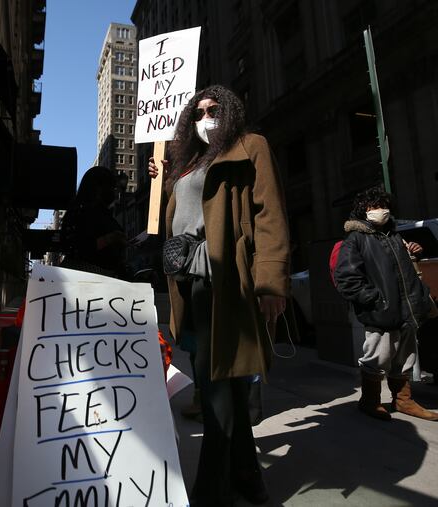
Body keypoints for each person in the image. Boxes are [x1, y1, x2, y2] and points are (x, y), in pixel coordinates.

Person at [149, 85, 290, 506]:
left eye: (213, 109)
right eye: (197, 112)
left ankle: (213, 487)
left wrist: (270, 281)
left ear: (229, 111)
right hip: (188, 284)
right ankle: (248, 477)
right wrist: (164, 184)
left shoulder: (251, 146)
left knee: (215, 385)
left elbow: (270, 214)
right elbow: (173, 223)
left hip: (225, 281)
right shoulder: (188, 162)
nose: (205, 117)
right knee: (223, 384)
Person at [333, 186, 437, 421]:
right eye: (374, 206)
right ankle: (370, 401)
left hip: (407, 309)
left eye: (384, 206)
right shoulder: (356, 239)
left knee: (405, 357)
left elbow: (401, 271)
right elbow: (347, 279)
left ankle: (404, 401)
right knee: (377, 358)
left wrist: (413, 253)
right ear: (363, 211)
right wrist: (376, 300)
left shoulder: (394, 236)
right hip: (382, 312)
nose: (381, 210)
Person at [59, 166, 127, 278]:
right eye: (111, 187)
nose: (114, 191)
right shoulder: (86, 213)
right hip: (89, 278)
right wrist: (112, 237)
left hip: (98, 278)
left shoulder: (96, 211)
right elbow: (82, 248)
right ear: (99, 188)